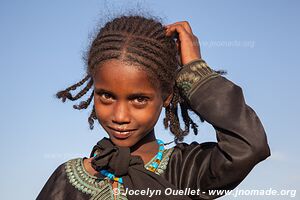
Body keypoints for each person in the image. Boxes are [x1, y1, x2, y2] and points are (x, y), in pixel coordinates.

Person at [37, 15, 270, 200]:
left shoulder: (187, 170)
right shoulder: (67, 179)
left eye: (138, 99)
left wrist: (195, 71)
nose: (120, 116)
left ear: (166, 96)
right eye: (106, 96)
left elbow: (249, 145)